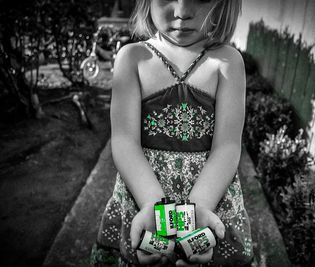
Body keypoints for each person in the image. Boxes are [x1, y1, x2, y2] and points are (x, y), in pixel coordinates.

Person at [90, 0, 253, 266]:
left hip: (210, 204)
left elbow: (227, 147)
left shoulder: (228, 61)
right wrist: (155, 209)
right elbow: (123, 141)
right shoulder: (132, 58)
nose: (181, 12)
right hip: (143, 198)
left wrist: (196, 210)